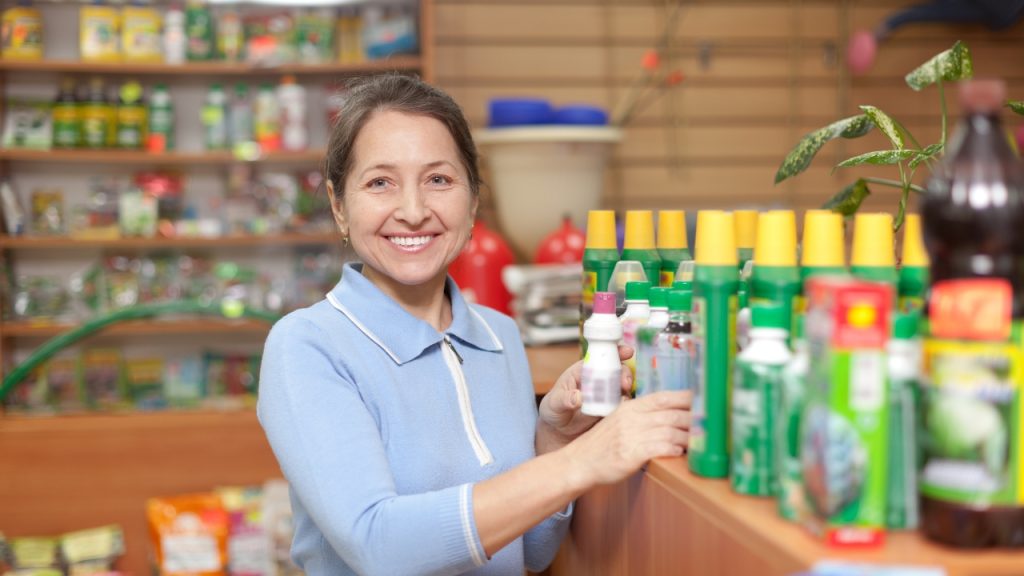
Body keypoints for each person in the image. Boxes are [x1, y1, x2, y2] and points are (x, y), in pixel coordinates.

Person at [257, 74, 692, 576]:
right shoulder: (307, 346)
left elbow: (531, 552)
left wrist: (552, 441)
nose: (414, 211)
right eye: (380, 182)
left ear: (473, 200)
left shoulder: (499, 335)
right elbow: (376, 546)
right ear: (339, 206)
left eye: (439, 180)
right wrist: (581, 461)